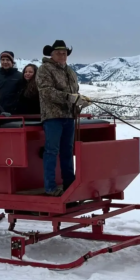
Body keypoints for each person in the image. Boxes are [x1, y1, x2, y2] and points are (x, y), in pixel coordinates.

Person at [37, 40, 91, 196]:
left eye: (64, 53)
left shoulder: (71, 72)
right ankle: (50, 187)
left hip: (69, 116)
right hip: (53, 116)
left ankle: (69, 185)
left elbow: (74, 93)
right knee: (52, 151)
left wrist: (80, 102)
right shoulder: (44, 69)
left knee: (68, 151)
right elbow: (46, 91)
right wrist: (69, 98)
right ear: (52, 54)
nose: (62, 55)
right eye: (59, 53)